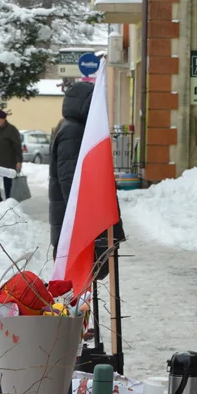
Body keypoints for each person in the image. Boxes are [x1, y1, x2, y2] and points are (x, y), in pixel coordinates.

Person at [49, 82, 125, 274]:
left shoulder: (78, 129)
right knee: (81, 282)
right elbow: (71, 182)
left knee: (86, 284)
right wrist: (83, 223)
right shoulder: (73, 132)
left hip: (85, 222)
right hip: (82, 224)